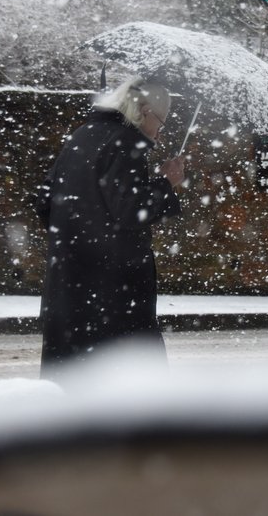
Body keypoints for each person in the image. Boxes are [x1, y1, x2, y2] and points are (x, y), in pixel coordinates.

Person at [33, 77, 186, 378]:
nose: (160, 132)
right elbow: (130, 210)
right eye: (161, 122)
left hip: (69, 285)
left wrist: (76, 238)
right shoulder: (125, 142)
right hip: (114, 291)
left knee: (70, 381)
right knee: (127, 385)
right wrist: (166, 183)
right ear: (144, 110)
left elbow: (44, 202)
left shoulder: (82, 135)